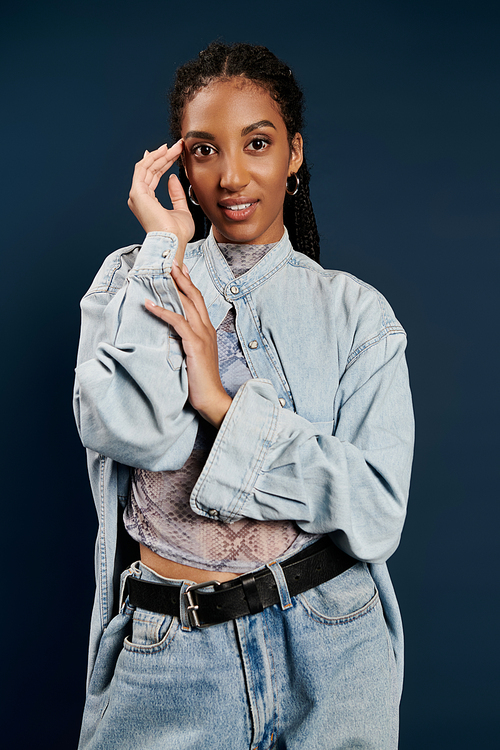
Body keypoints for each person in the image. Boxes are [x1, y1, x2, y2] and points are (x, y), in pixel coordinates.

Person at [74, 41, 414, 750]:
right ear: (179, 164)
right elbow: (134, 430)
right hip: (168, 655)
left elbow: (378, 509)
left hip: (330, 646)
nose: (231, 176)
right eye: (203, 150)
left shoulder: (356, 314)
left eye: (257, 143)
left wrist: (221, 405)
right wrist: (163, 253)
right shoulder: (131, 277)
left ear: (293, 153)